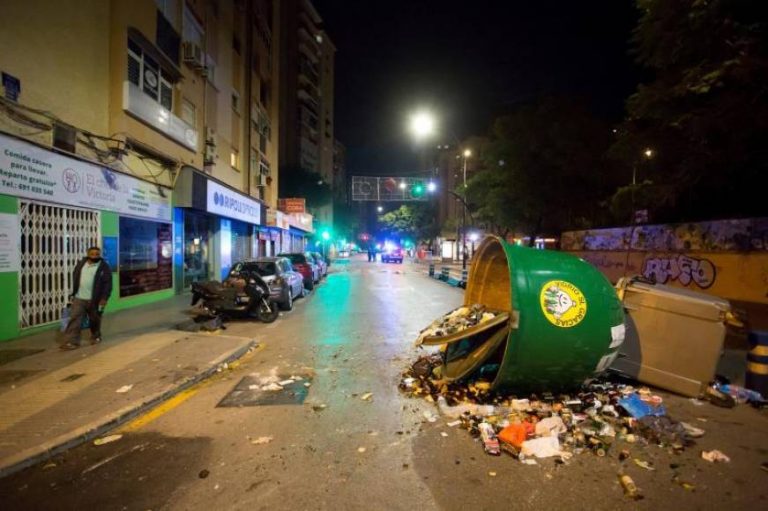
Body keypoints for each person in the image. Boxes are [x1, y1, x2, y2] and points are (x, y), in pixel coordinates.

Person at [60, 246, 113, 350]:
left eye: (97, 254)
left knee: (94, 320)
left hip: (95, 299)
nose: (95, 256)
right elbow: (75, 277)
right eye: (92, 254)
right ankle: (72, 342)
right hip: (79, 298)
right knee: (75, 319)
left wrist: (104, 298)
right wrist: (74, 293)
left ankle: (96, 336)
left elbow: (108, 284)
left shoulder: (104, 267)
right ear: (88, 254)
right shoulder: (81, 264)